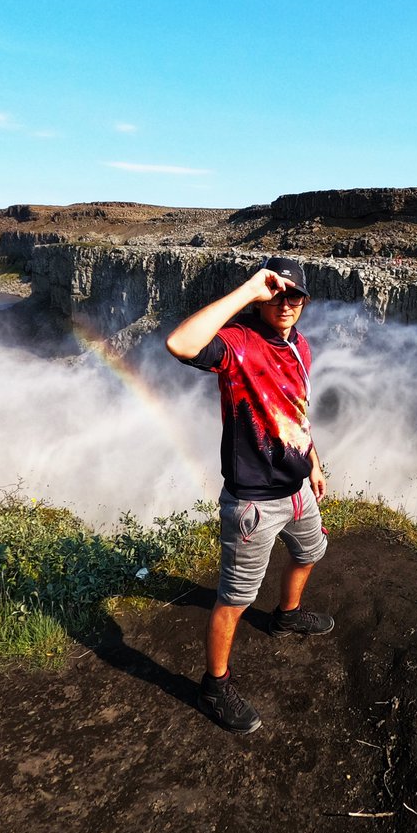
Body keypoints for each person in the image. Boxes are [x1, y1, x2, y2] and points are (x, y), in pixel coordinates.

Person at [165, 257, 332, 734]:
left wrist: (315, 465)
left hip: (297, 487)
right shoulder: (237, 343)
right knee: (236, 597)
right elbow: (180, 344)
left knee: (312, 551)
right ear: (262, 296)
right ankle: (214, 685)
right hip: (254, 501)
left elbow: (297, 410)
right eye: (276, 294)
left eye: (294, 296)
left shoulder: (301, 346)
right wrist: (249, 289)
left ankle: (287, 616)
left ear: (305, 303)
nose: (285, 303)